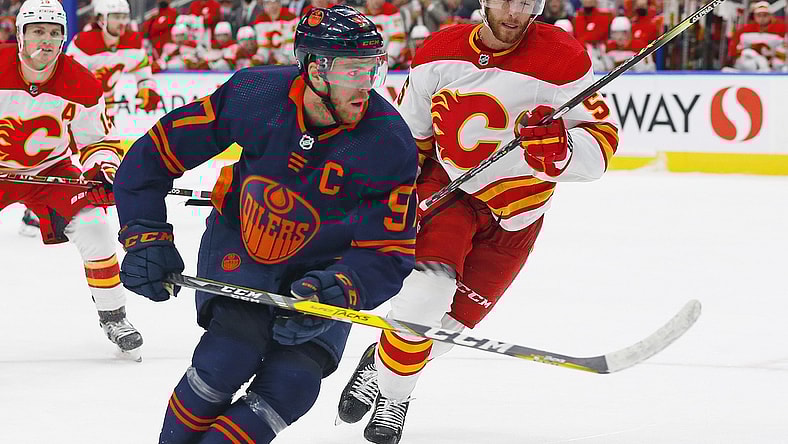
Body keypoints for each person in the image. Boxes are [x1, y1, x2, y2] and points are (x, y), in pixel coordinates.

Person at [112, 5, 419, 443]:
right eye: (353, 71)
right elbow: (155, 154)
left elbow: (388, 251)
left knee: (293, 385)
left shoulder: (389, 142)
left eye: (373, 69)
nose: (366, 84)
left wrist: (341, 288)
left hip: (326, 267)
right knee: (227, 357)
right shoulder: (254, 94)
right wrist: (145, 237)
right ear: (315, 68)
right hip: (243, 245)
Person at [336, 0, 620, 442]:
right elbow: (409, 138)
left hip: (521, 212)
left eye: (527, 3)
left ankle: (380, 360)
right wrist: (386, 199)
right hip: (450, 191)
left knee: (448, 332)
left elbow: (602, 143)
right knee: (423, 299)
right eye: (506, 0)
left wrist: (560, 151)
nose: (515, 13)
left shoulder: (564, 57)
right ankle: (395, 398)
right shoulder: (439, 52)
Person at [0, 0, 143, 358]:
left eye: (54, 33)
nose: (45, 40)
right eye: (37, 31)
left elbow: (98, 141)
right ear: (20, 34)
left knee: (95, 227)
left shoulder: (80, 80)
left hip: (50, 171)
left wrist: (103, 169)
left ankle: (113, 317)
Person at [66, 0, 162, 121]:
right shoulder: (84, 43)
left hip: (108, 110)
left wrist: (147, 88)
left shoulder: (132, 42)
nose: (122, 22)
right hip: (79, 111)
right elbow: (67, 79)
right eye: (116, 17)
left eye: (124, 17)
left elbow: (142, 68)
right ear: (102, 19)